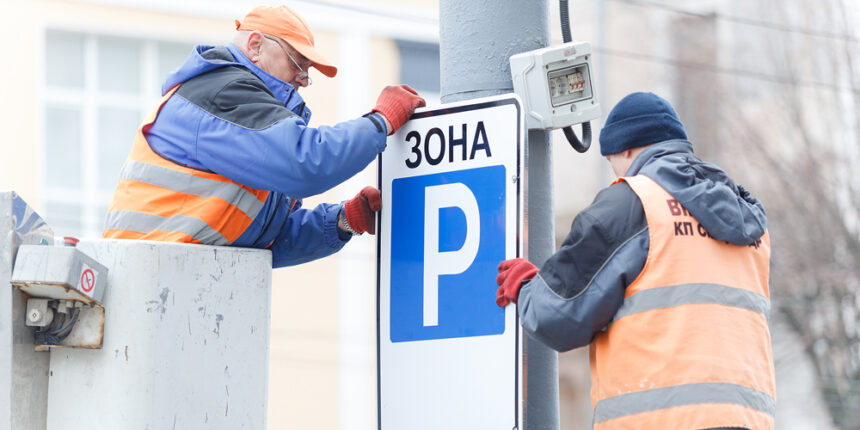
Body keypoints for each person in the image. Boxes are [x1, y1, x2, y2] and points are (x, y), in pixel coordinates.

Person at [495, 92, 775, 429]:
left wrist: (527, 287)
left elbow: (559, 315)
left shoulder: (632, 203)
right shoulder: (749, 221)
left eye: (611, 160)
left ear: (625, 150)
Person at [103, 5, 425, 267]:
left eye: (307, 70)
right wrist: (380, 121)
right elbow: (306, 163)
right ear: (255, 46)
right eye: (298, 61)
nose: (302, 77)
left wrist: (343, 220)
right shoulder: (222, 92)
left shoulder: (250, 124)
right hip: (148, 278)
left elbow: (267, 242)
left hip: (171, 281)